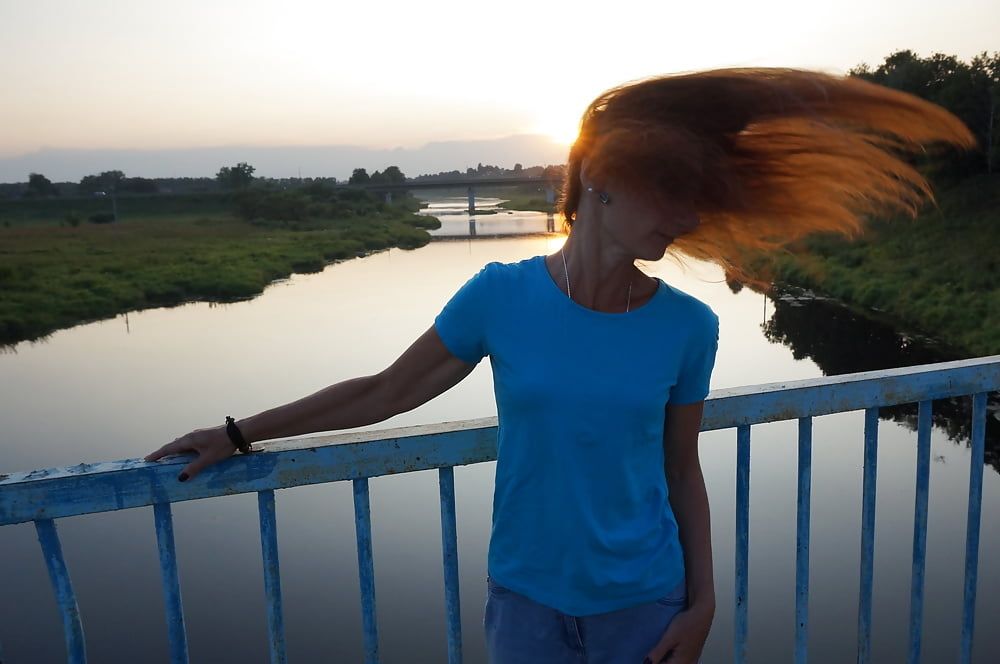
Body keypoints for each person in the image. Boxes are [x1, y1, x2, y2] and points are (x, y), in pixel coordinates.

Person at [145, 68, 973, 663]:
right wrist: (236, 433)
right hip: (527, 607)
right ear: (603, 181)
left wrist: (703, 603)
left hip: (644, 612)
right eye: (675, 192)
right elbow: (386, 391)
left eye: (698, 198)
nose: (688, 217)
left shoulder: (686, 326)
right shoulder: (500, 296)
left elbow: (682, 471)